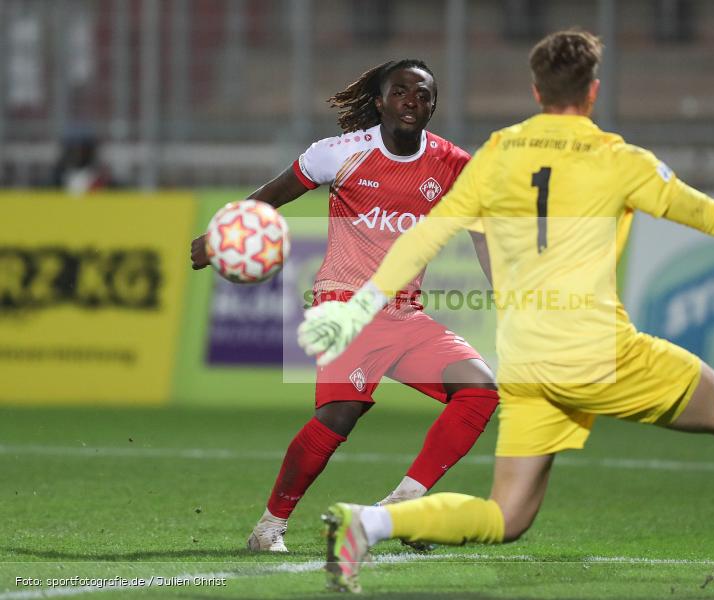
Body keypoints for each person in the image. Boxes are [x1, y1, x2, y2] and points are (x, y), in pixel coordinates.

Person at [297, 30, 714, 593]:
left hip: (529, 358)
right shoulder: (618, 158)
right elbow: (713, 218)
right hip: (598, 350)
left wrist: (359, 310)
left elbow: (423, 241)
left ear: (536, 91)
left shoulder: (499, 152)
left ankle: (369, 525)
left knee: (506, 516)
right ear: (593, 90)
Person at [190, 59, 499, 553]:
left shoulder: (454, 165)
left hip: (405, 313)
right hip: (345, 306)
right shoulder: (338, 154)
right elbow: (271, 196)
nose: (411, 102)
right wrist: (219, 237)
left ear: (432, 106)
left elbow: (483, 228)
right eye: (400, 92)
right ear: (379, 101)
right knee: (340, 416)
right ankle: (270, 527)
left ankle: (401, 504)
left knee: (480, 389)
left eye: (422, 95)